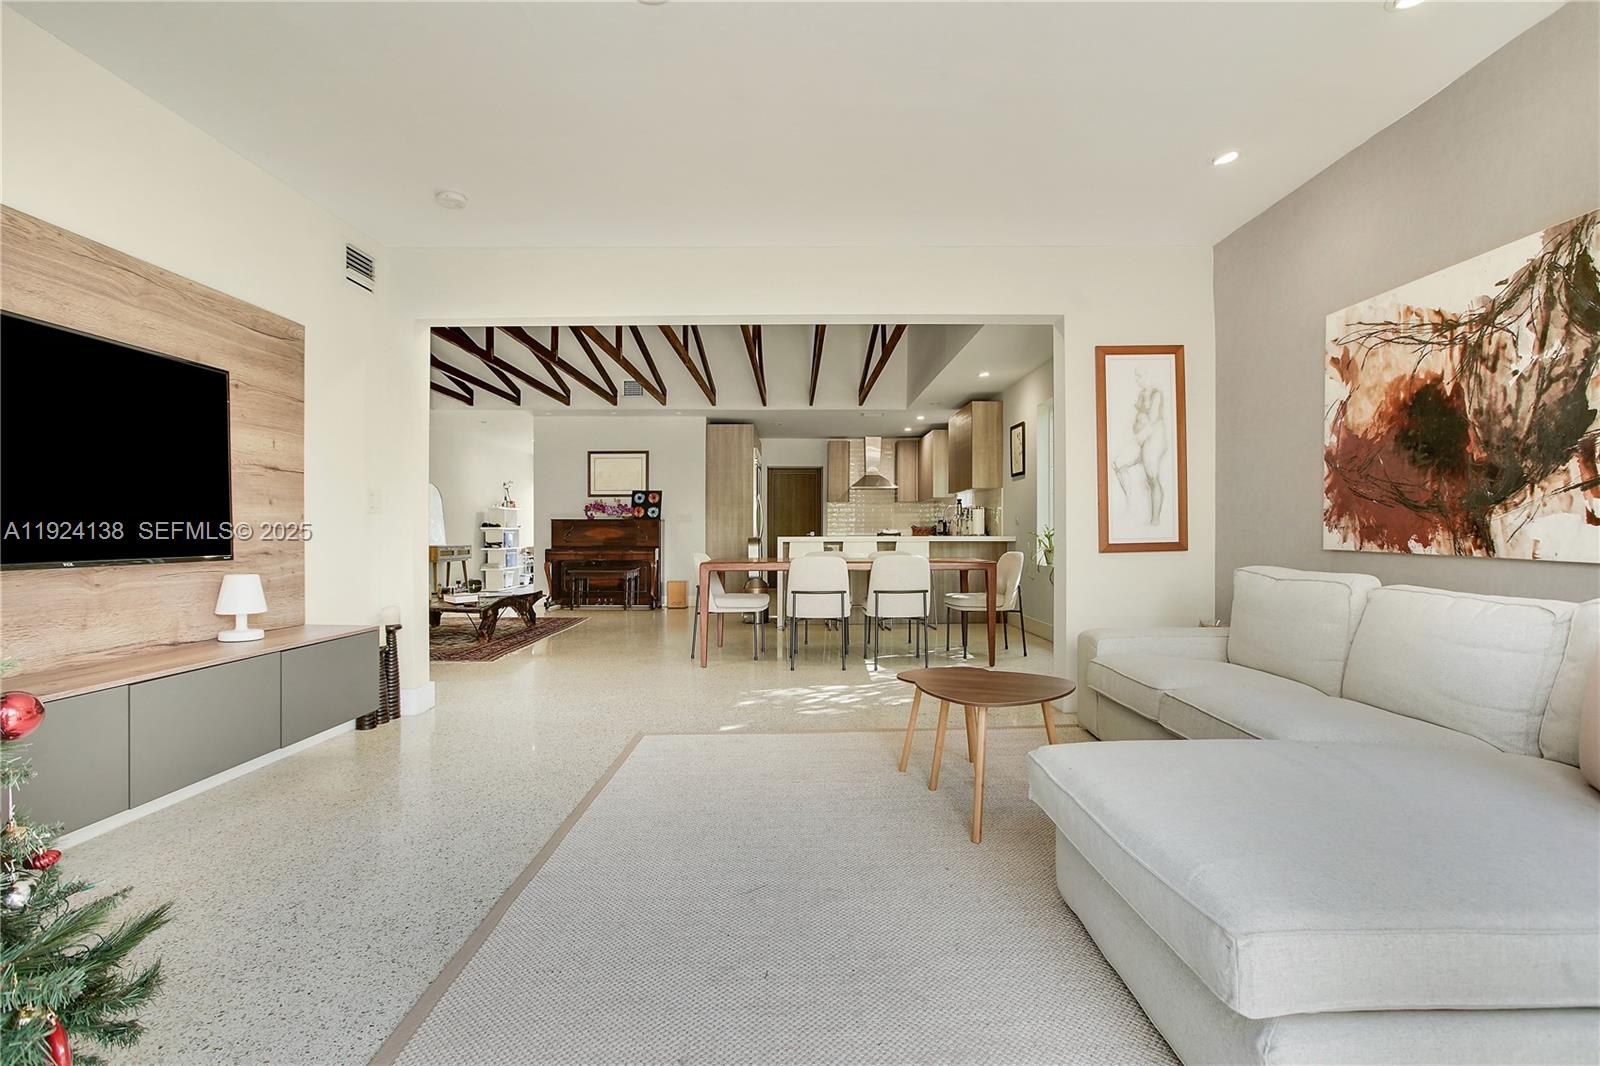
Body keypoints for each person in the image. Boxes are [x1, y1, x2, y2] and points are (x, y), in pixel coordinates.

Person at [1112, 368, 1168, 525]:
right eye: (1136, 377)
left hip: (1153, 438)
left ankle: (1155, 519)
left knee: (1152, 477)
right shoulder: (1141, 394)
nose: (1137, 380)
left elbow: (1152, 421)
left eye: (1140, 376)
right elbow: (1133, 415)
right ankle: (1130, 503)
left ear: (1148, 375)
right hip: (1139, 439)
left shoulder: (1156, 394)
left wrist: (1139, 437)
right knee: (1118, 463)